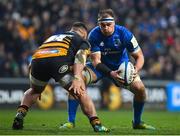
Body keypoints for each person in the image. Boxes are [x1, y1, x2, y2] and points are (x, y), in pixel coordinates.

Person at [60, 9, 155, 130]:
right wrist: (110, 73)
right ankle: (70, 121)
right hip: (100, 68)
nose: (105, 28)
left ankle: (137, 122)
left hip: (121, 67)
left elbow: (139, 56)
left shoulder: (124, 33)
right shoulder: (94, 35)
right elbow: (96, 62)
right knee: (77, 80)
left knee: (140, 89)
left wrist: (136, 69)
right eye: (102, 25)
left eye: (108, 25)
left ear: (114, 23)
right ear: (98, 24)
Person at [12, 22, 110, 132]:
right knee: (80, 91)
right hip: (58, 62)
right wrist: (77, 77)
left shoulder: (53, 37)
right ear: (83, 33)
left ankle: (20, 114)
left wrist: (35, 83)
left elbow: (37, 56)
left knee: (34, 91)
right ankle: (96, 124)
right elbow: (80, 56)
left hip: (37, 62)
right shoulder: (82, 40)